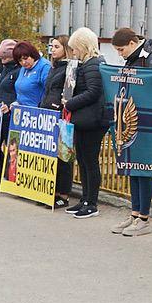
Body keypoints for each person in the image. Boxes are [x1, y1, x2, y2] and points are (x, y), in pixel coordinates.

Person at [107, 27, 152, 237]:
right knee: (132, 168)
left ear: (133, 43)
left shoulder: (149, 56)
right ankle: (134, 213)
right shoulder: (133, 57)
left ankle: (144, 218)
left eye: (121, 50)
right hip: (132, 117)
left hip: (145, 120)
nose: (120, 55)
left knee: (143, 170)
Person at [63, 28, 105, 220]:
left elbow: (93, 91)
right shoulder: (89, 64)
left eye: (74, 49)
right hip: (85, 119)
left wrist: (70, 103)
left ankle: (91, 202)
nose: (73, 53)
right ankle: (85, 199)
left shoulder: (93, 65)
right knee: (83, 159)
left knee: (89, 161)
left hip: (92, 121)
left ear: (82, 46)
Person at [38, 34, 72, 209]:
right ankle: (52, 190)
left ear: (66, 48)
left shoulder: (69, 68)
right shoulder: (53, 67)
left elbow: (67, 92)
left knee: (63, 156)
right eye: (52, 46)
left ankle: (64, 195)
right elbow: (48, 89)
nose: (53, 49)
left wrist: (58, 106)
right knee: (51, 154)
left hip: (60, 114)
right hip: (46, 113)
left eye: (57, 46)